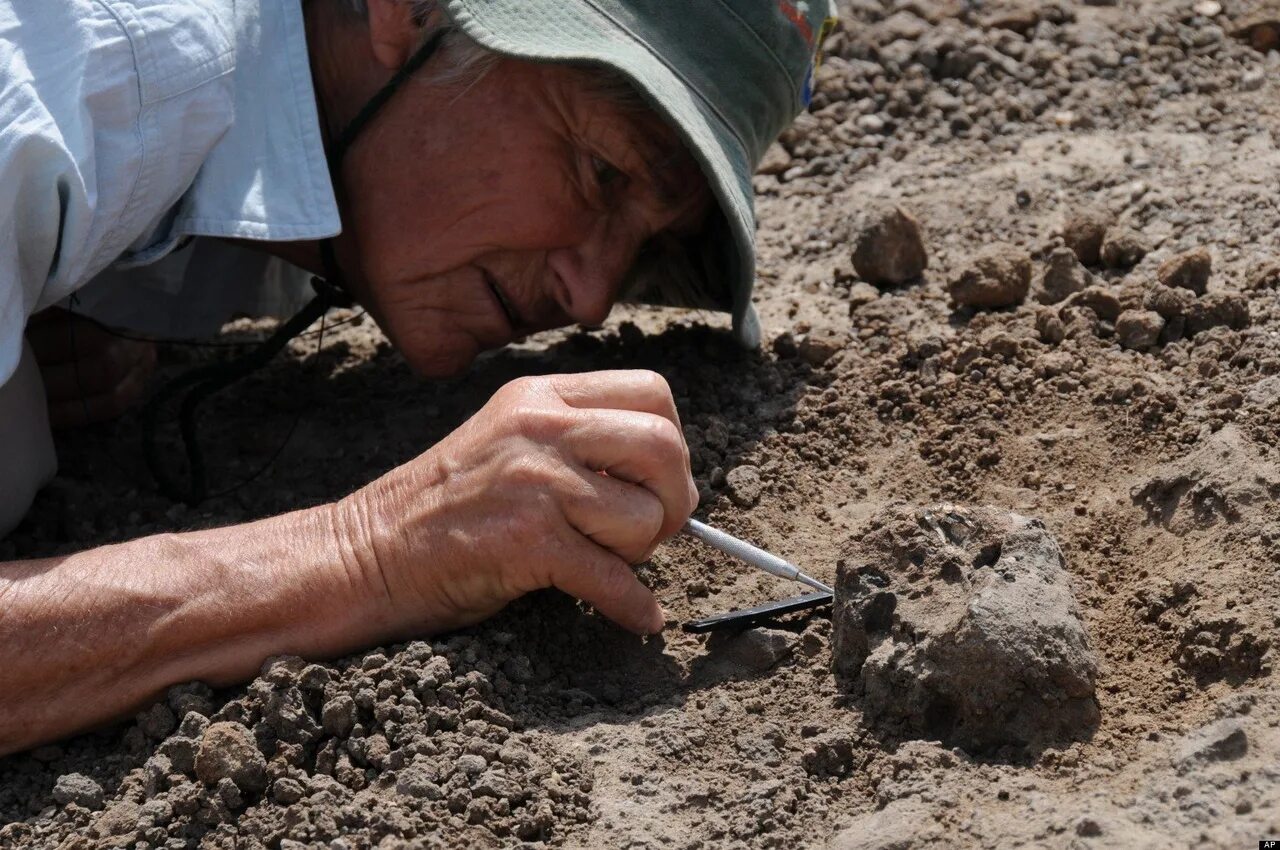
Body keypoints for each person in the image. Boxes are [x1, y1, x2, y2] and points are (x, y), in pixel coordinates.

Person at [0, 0, 836, 754]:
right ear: (408, 13)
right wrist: (370, 550)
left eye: (649, 249)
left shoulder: (353, 157)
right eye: (602, 172)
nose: (592, 300)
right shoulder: (85, 92)